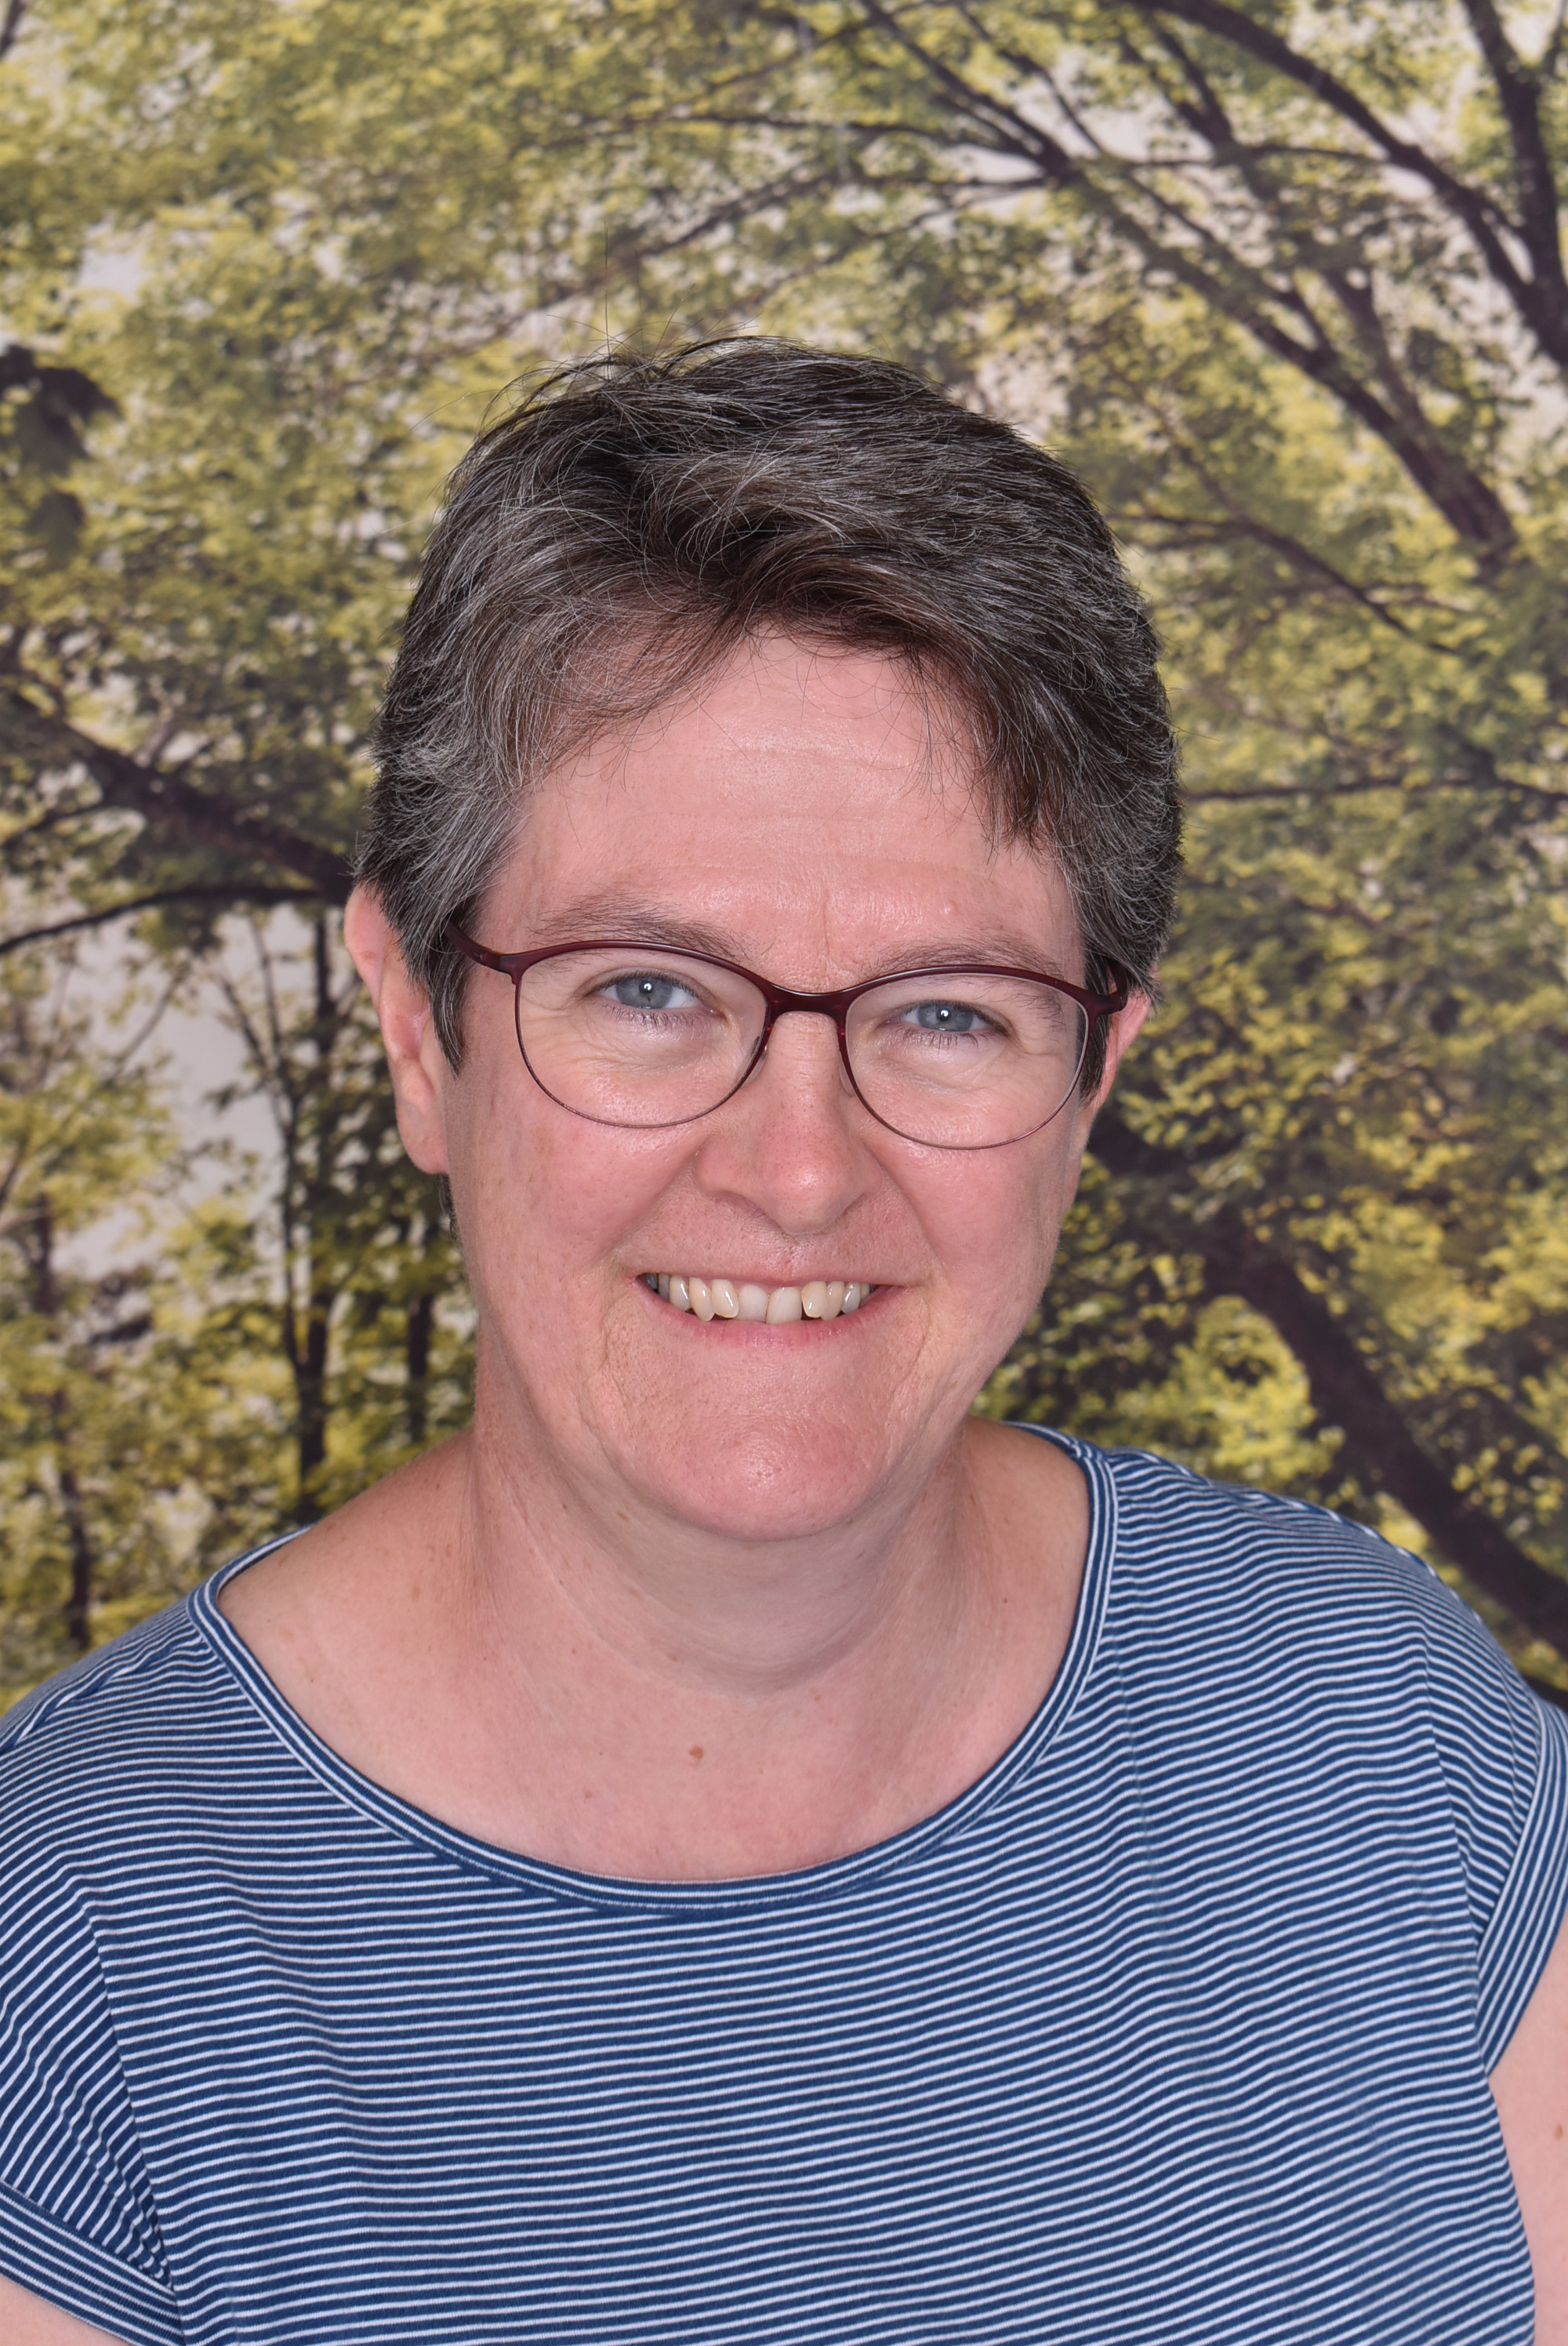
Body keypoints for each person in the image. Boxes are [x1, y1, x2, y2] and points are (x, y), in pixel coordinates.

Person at [2, 340, 1566, 2346]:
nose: (801, 1170)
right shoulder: (77, 1945)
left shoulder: (1372, 1726)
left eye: (946, 1009)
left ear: (1093, 1077)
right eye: (646, 989)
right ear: (414, 1025)